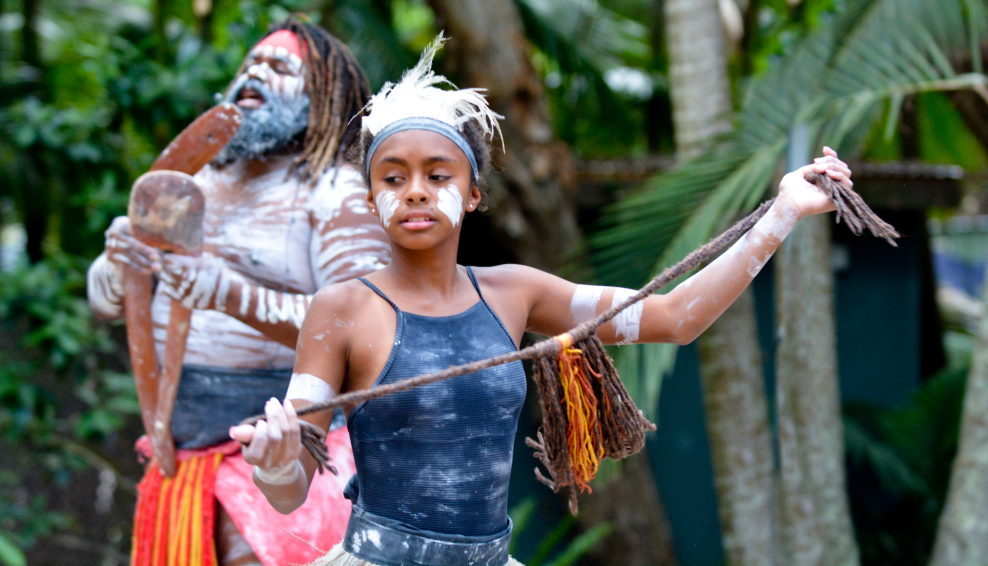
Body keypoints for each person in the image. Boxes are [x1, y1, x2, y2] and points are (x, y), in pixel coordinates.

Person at [229, 37, 853, 566]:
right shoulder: (340, 308)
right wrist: (276, 461)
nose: (415, 192)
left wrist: (784, 212)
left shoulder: (515, 293)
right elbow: (287, 494)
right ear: (371, 199)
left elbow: (675, 318)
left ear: (472, 193)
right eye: (393, 177)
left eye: (437, 175)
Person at [87, 20, 391, 566]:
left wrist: (230, 294)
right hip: (179, 456)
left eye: (279, 68)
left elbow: (370, 329)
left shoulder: (335, 189)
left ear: (323, 96)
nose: (254, 72)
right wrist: (117, 270)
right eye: (249, 64)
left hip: (287, 457)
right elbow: (108, 304)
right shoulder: (195, 181)